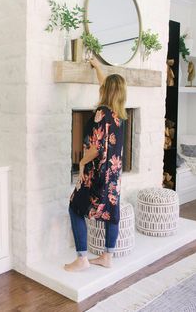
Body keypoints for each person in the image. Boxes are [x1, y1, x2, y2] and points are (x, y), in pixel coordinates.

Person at [64, 58, 127, 272]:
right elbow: (105, 84)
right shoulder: (120, 113)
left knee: (75, 208)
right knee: (111, 212)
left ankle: (82, 259)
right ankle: (107, 256)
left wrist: (81, 161)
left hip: (96, 174)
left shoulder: (102, 113)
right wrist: (98, 68)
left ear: (106, 92)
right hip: (113, 176)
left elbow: (97, 148)